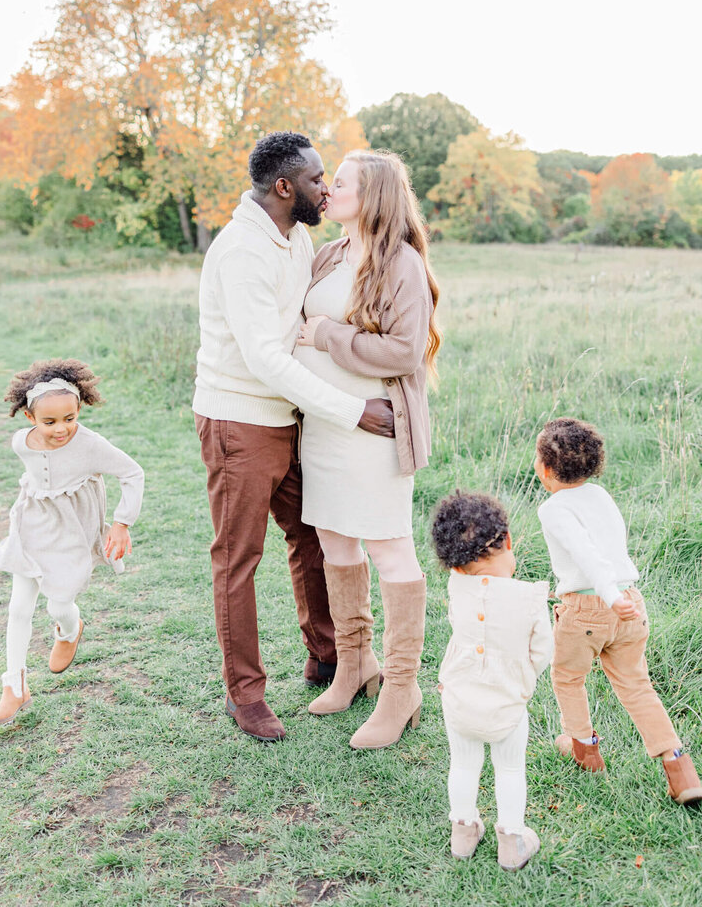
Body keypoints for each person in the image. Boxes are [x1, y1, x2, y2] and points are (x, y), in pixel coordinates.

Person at [193, 132, 395, 742]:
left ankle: (330, 657)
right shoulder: (240, 253)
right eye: (316, 179)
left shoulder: (297, 233)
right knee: (239, 558)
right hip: (240, 420)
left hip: (290, 418)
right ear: (284, 187)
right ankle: (245, 695)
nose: (325, 186)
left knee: (313, 536)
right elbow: (263, 358)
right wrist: (352, 410)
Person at [294, 150, 436, 750]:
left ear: (371, 194)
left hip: (375, 429)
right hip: (326, 427)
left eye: (340, 183)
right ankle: (355, 665)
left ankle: (402, 689)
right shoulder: (329, 253)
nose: (327, 191)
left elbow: (405, 352)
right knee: (335, 542)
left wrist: (328, 335)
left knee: (389, 550)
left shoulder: (400, 263)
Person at [535, 417, 702, 805]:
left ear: (544, 469)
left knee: (567, 677)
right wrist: (619, 597)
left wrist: (608, 596)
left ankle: (584, 750)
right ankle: (680, 768)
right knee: (636, 685)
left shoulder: (553, 508)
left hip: (589, 608)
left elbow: (587, 555)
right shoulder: (601, 495)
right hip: (632, 602)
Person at [0, 359, 144, 727]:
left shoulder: (91, 445)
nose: (62, 429)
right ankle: (14, 686)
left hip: (72, 534)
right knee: (18, 607)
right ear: (29, 417)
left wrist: (121, 523)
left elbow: (132, 472)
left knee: (59, 604)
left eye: (70, 418)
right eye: (50, 422)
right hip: (32, 527)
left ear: (79, 410)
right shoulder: (20, 443)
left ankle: (69, 629)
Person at [432, 491, 552, 871]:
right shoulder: (530, 599)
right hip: (507, 703)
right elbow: (542, 652)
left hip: (459, 699)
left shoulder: (456, 586)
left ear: (453, 565)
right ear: (509, 542)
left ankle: (463, 834)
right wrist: (524, 676)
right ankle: (512, 842)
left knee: (463, 766)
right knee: (510, 769)